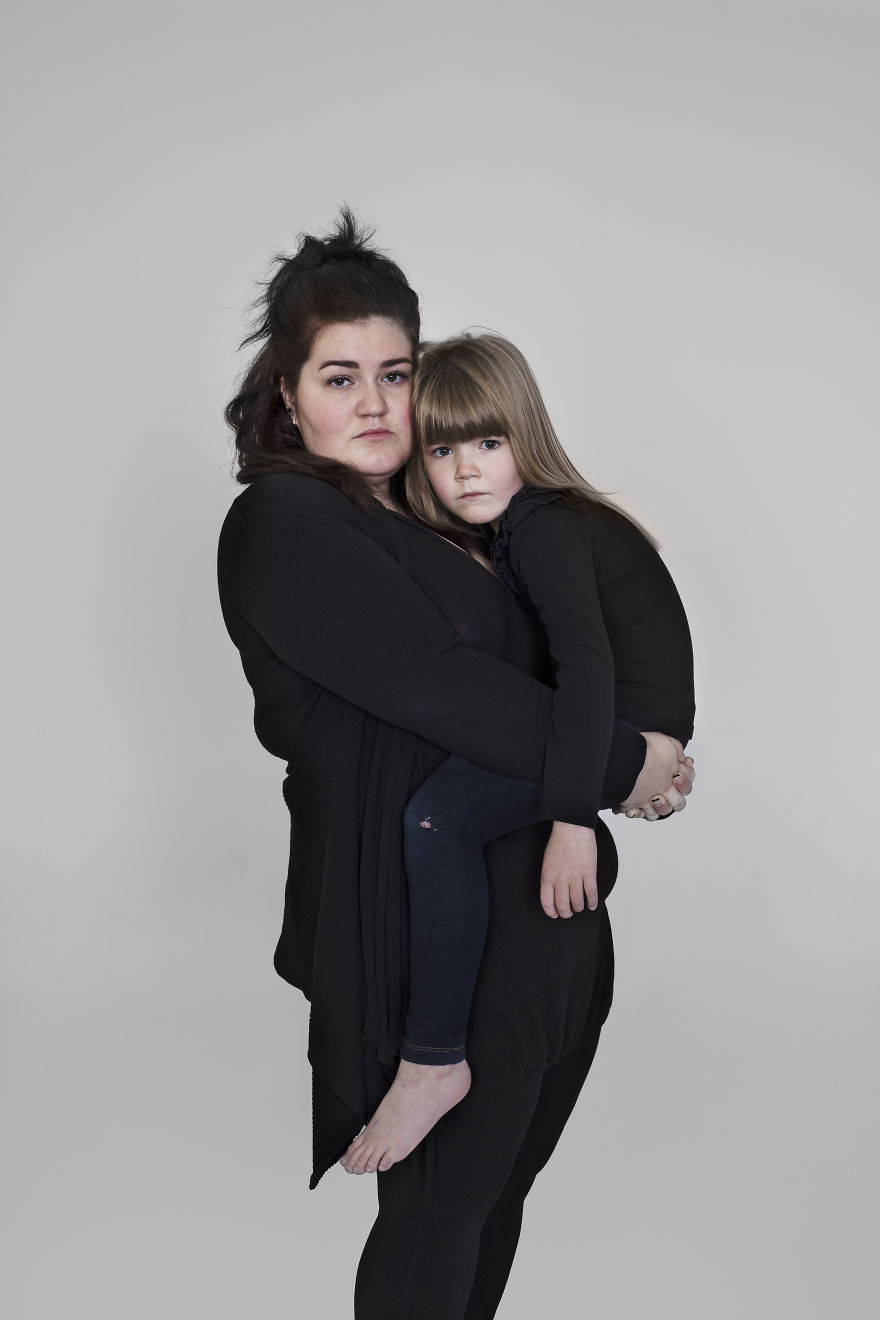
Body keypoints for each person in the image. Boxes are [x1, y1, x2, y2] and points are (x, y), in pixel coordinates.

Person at [217, 210, 695, 1320]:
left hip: (548, 929)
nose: (376, 402)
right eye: (340, 377)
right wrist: (630, 760)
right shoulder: (285, 523)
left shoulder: (452, 517)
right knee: (437, 1227)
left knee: (490, 1209)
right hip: (437, 942)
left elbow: (580, 651)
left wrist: (639, 730)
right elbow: (442, 686)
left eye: (396, 372)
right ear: (287, 392)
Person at [341, 331, 695, 1179]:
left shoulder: (541, 528)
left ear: (526, 439)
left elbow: (586, 668)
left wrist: (575, 813)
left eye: (488, 443)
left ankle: (434, 1060)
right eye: (442, 448)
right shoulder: (524, 526)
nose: (466, 469)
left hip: (618, 730)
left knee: (437, 817)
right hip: (620, 729)